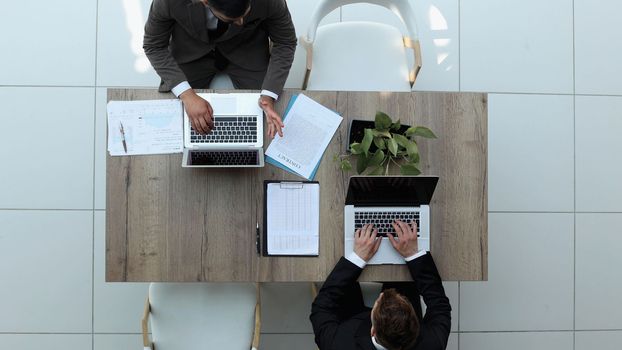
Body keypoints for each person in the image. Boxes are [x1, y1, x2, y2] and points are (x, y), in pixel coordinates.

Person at [143, 0, 297, 138]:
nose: (241, 21)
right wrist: (187, 95)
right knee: (176, 123)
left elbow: (285, 43)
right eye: (233, 19)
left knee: (264, 122)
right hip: (190, 52)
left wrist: (268, 96)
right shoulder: (168, 2)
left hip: (246, 50)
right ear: (204, 1)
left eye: (246, 14)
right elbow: (154, 46)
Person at [310, 221, 451, 350]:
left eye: (379, 301)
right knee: (402, 276)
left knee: (342, 284)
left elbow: (321, 307)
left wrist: (357, 258)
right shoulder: (433, 344)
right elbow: (439, 305)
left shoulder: (338, 344)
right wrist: (413, 255)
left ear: (372, 331)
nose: (382, 294)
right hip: (380, 325)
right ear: (415, 326)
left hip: (353, 322)